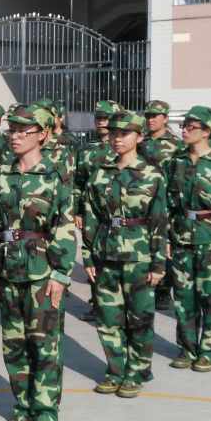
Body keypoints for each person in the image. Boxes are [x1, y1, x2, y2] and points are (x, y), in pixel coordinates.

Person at [0, 104, 75, 421]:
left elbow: (64, 226)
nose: (15, 136)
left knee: (45, 346)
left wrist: (61, 274)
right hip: (10, 269)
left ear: (41, 134)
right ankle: (22, 407)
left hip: (42, 271)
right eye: (12, 131)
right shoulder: (3, 174)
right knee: (14, 344)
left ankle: (45, 412)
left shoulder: (53, 176)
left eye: (23, 131)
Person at [82, 110, 168, 398]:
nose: (118, 139)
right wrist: (88, 254)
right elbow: (91, 215)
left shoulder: (152, 174)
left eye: (125, 133)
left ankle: (137, 370)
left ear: (139, 137)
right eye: (115, 133)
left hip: (140, 255)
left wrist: (158, 263)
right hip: (106, 253)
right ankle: (115, 369)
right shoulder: (100, 172)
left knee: (139, 317)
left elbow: (159, 220)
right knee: (108, 317)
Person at [165, 106, 211, 372]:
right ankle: (186, 348)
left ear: (207, 132)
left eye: (191, 127)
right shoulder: (176, 162)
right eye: (184, 125)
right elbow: (168, 204)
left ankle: (208, 350)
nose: (184, 130)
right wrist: (166, 238)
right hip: (182, 236)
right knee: (183, 298)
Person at [74, 100, 119, 322]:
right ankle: (96, 302)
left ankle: (116, 304)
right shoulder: (87, 150)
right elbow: (78, 182)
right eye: (99, 117)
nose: (101, 121)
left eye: (106, 117)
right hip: (93, 213)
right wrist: (78, 211)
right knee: (92, 256)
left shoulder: (123, 147)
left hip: (119, 214)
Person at [139, 100, 181, 311]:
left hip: (166, 201)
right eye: (148, 116)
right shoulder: (141, 142)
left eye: (156, 115)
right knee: (147, 244)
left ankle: (164, 291)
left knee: (166, 246)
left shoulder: (176, 144)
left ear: (165, 118)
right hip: (143, 201)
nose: (151, 119)